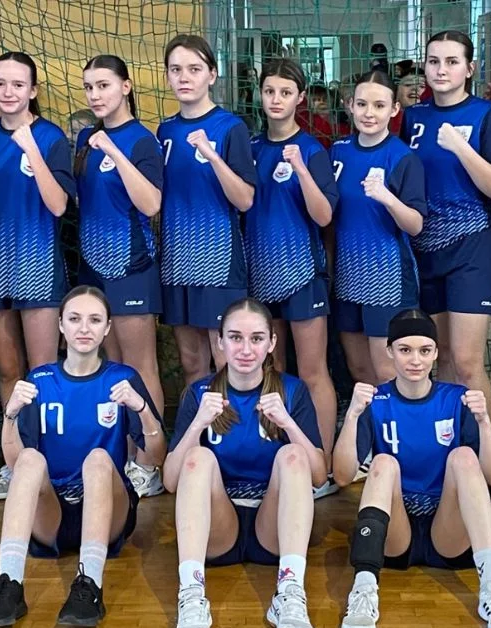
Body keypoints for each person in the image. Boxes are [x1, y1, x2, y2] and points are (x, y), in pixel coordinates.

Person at [0, 286, 165, 628]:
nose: (84, 328)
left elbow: (156, 457)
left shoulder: (122, 378)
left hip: (108, 509)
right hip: (54, 514)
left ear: (107, 328)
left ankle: (89, 585)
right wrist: (11, 415)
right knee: (31, 459)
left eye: (95, 320)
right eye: (75, 319)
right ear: (61, 325)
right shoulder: (41, 380)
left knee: (98, 458)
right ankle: (8, 584)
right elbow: (17, 465)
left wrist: (142, 409)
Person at [333, 309, 491, 628]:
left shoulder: (456, 399)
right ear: (390, 351)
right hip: (396, 532)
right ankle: (363, 590)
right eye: (405, 350)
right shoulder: (376, 401)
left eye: (424, 350)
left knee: (464, 456)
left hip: (448, 530)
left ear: (436, 352)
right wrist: (351, 416)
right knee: (383, 463)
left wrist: (483, 423)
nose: (415, 360)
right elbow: (343, 476)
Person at [164, 298, 326, 628]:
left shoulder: (292, 390)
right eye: (236, 338)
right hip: (218, 527)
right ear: (220, 341)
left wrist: (287, 423)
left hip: (273, 525)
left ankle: (290, 592)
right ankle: (191, 595)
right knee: (197, 458)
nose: (246, 349)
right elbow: (171, 481)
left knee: (293, 455)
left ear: (271, 343)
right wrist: (198, 424)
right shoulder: (200, 393)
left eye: (256, 339)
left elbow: (318, 476)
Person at [0, 52, 76, 499]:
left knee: (43, 372)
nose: (8, 92)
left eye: (18, 84)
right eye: (0, 83)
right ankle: (15, 461)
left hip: (38, 268)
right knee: (9, 371)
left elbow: (59, 205)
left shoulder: (51, 138)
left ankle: (52, 460)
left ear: (33, 91)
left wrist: (29, 145)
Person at [404, 30, 491, 431]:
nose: (441, 70)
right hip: (425, 249)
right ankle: (450, 444)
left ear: (469, 68)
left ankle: (486, 453)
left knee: (467, 362)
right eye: (434, 61)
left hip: (471, 247)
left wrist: (460, 146)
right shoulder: (413, 117)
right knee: (441, 357)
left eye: (451, 62)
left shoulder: (485, 114)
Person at [73, 54, 166, 498]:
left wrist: (113, 152)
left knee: (139, 367)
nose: (95, 95)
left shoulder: (141, 140)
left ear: (126, 87)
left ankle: (150, 462)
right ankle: (122, 454)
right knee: (109, 368)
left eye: (104, 85)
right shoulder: (85, 139)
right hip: (92, 267)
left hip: (131, 266)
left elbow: (151, 204)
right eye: (89, 87)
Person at [248, 58, 339, 496]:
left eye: (285, 92)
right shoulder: (250, 147)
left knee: (313, 371)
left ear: (299, 97)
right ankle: (282, 457)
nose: (276, 100)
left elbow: (324, 215)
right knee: (274, 370)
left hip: (302, 274)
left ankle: (322, 464)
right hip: (259, 275)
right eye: (269, 91)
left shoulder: (312, 149)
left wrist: (301, 168)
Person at [158, 34, 257, 385]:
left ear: (212, 75)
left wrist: (213, 156)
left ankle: (233, 423)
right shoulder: (165, 130)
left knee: (226, 362)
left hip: (217, 259)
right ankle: (197, 422)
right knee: (191, 363)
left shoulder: (230, 127)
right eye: (176, 70)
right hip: (176, 259)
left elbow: (245, 200)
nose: (184, 77)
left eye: (194, 69)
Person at [331, 69, 427, 385]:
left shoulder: (401, 157)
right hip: (347, 273)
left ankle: (396, 419)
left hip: (386, 275)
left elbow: (415, 224)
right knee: (359, 370)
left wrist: (387, 197)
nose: (369, 113)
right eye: (362, 104)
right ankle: (369, 419)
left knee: (387, 372)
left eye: (379, 105)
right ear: (350, 105)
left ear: (394, 109)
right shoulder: (339, 150)